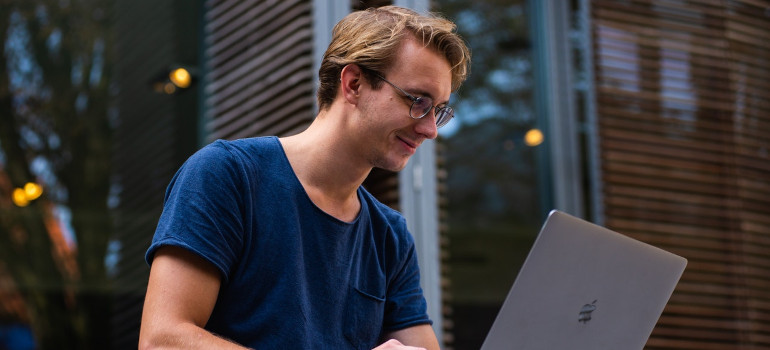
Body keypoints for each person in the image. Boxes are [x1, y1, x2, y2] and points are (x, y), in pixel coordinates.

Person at [138, 5, 470, 350]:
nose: (430, 129)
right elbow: (162, 341)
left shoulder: (390, 237)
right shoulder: (229, 175)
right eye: (418, 101)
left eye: (439, 110)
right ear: (353, 83)